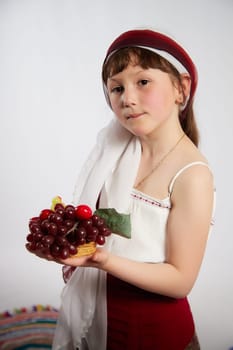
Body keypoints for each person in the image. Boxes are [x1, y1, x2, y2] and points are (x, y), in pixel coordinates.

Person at [29, 29, 215, 350]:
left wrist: (102, 260)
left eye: (143, 82)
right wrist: (65, 241)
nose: (127, 98)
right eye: (116, 88)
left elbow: (180, 281)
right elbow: (100, 229)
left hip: (155, 337)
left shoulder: (192, 175)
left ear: (181, 89)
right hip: (97, 329)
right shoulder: (115, 154)